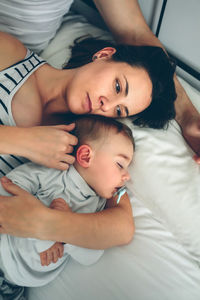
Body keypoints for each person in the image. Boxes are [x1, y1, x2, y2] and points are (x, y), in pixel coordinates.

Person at [0, 0, 199, 246]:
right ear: (103, 55)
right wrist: (21, 141)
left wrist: (45, 223)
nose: (106, 104)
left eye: (119, 110)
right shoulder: (8, 55)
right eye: (117, 86)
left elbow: (122, 228)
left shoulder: (85, 142)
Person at [0, 115, 134, 289]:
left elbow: (91, 257)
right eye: (120, 164)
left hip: (13, 286)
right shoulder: (53, 172)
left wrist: (66, 237)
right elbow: (9, 186)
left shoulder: (99, 208)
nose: (127, 176)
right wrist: (44, 232)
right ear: (86, 156)